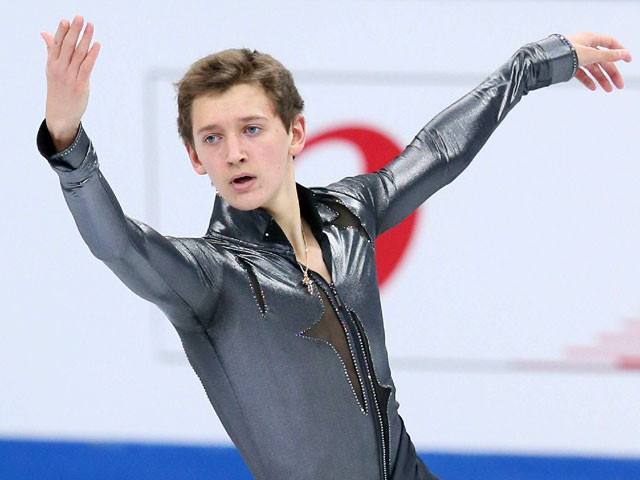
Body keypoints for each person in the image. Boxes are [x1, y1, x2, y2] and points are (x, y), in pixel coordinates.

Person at [38, 14, 631, 480]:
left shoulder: (350, 212)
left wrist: (535, 63)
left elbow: (437, 151)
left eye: (251, 129)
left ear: (295, 132)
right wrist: (68, 144)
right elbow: (119, 246)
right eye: (212, 138)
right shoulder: (211, 276)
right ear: (196, 158)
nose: (235, 152)